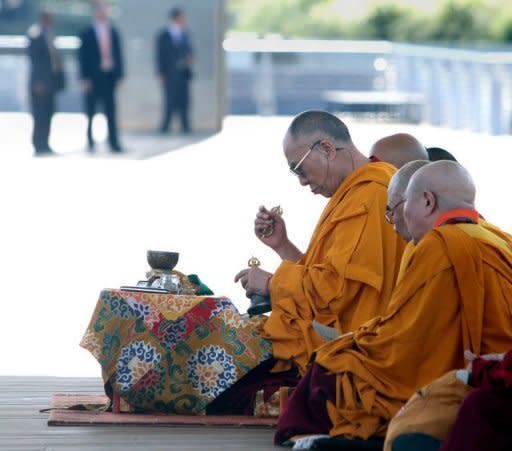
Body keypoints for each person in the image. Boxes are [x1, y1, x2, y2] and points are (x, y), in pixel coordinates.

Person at [275, 160, 512, 446]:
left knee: (332, 364)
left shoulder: (439, 245)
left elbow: (406, 342)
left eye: (395, 209)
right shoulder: (501, 240)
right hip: (498, 373)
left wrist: (353, 343)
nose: (394, 222)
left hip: (448, 374)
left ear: (427, 201)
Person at [234, 110, 406, 376]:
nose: (302, 181)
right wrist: (283, 246)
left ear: (327, 149)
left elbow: (335, 292)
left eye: (299, 168)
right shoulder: (353, 192)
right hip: (336, 335)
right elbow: (328, 277)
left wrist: (270, 283)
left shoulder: (371, 194)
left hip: (351, 351)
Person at [78, 3, 124, 152]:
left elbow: (118, 54)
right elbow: (82, 58)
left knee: (111, 111)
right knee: (90, 111)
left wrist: (119, 75)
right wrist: (84, 78)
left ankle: (113, 142)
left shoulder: (113, 31)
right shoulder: (87, 33)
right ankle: (90, 141)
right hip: (93, 78)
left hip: (109, 76)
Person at [27, 11, 65, 156]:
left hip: (51, 83)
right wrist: (38, 82)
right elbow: (36, 62)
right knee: (39, 115)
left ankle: (45, 143)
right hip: (40, 84)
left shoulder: (51, 35)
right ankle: (38, 144)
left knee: (48, 113)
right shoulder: (35, 35)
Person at [156, 7, 193, 134]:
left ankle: (185, 126)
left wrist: (189, 56)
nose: (184, 20)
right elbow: (159, 55)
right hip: (169, 74)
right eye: (182, 17)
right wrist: (160, 73)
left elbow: (190, 51)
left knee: (184, 100)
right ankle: (165, 126)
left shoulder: (184, 34)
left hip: (183, 73)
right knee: (169, 100)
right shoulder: (164, 35)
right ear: (176, 18)